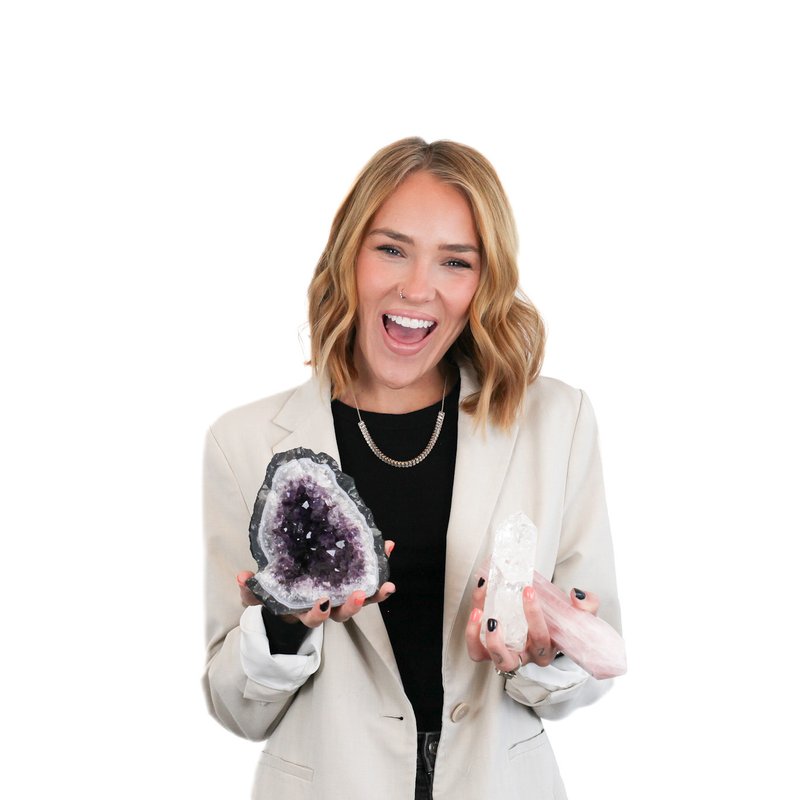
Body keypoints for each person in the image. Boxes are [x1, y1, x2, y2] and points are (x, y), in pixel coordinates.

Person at [202, 137, 622, 800]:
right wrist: (286, 623)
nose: (418, 288)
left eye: (456, 262)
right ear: (350, 254)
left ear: (485, 283)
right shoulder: (245, 442)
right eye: (392, 249)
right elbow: (236, 706)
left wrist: (544, 654)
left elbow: (590, 665)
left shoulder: (557, 422)